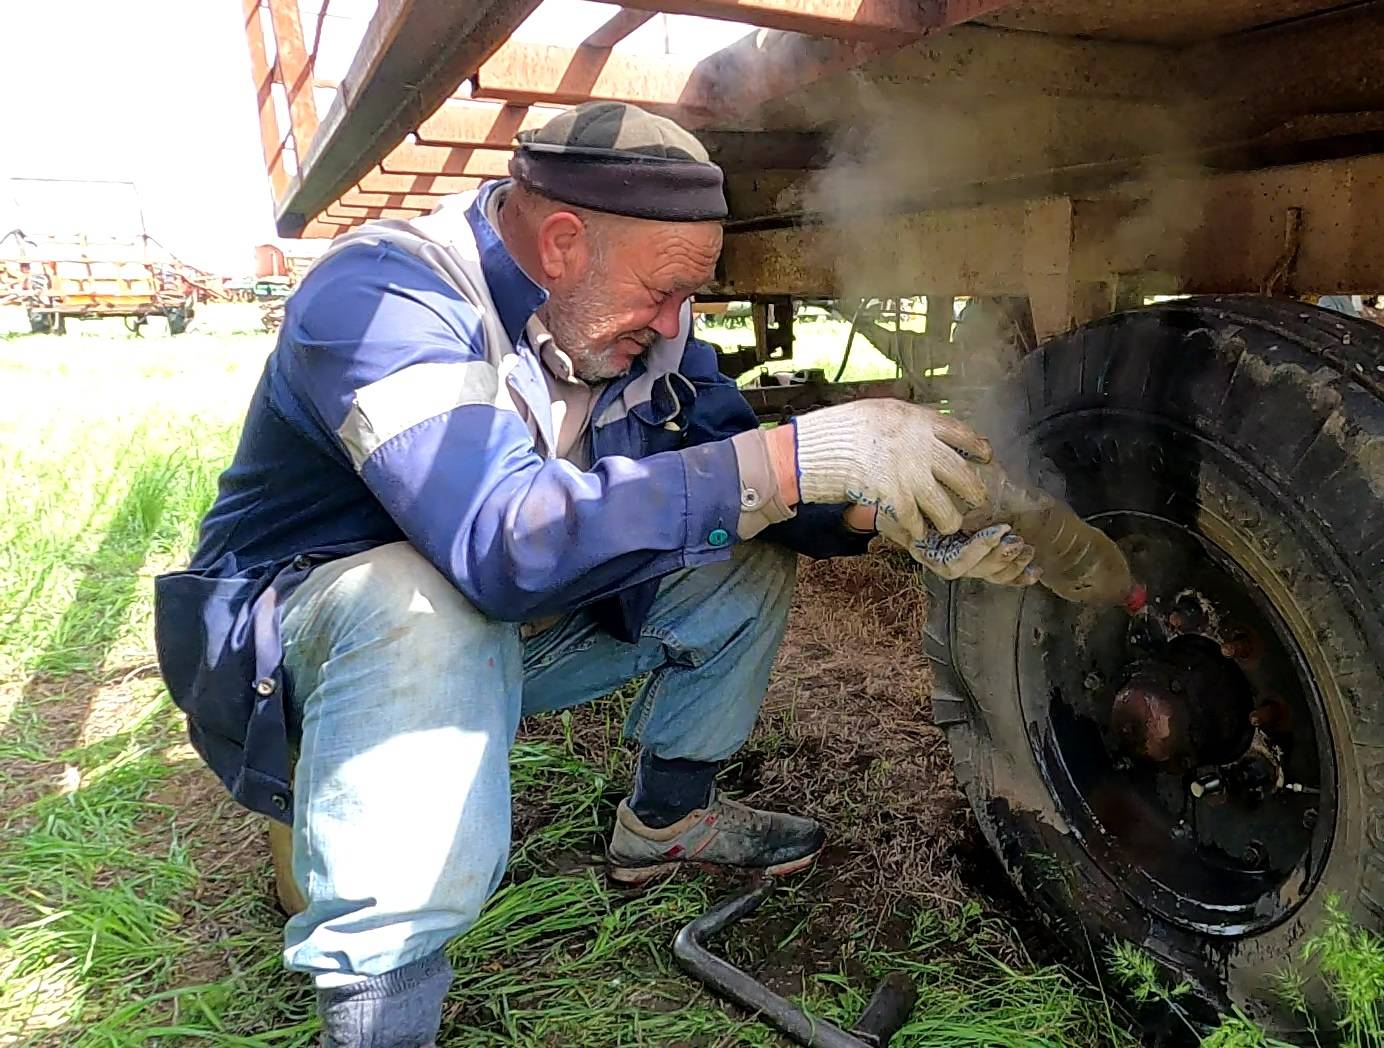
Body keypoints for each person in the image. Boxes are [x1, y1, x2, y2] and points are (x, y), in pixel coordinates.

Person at [154, 101, 1038, 1047]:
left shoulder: (632, 323)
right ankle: (380, 1016)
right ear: (565, 242)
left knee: (742, 543)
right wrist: (787, 460)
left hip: (485, 632)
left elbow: (732, 463)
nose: (673, 323)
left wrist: (882, 506)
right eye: (662, 292)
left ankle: (665, 824)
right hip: (298, 668)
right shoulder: (387, 299)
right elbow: (501, 543)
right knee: (416, 607)